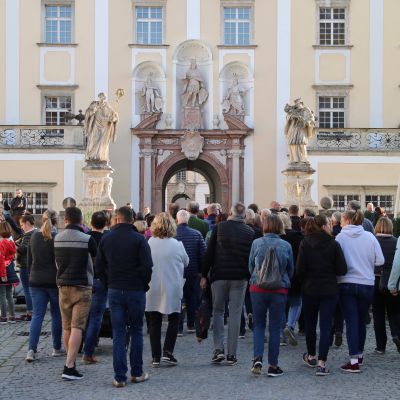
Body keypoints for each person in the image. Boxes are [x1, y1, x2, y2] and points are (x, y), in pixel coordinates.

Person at [96, 206, 153, 387]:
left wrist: (108, 283)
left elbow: (99, 267)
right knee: (136, 330)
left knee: (118, 332)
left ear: (117, 219)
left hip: (115, 289)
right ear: (132, 219)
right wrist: (143, 285)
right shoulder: (139, 239)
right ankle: (136, 372)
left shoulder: (106, 238)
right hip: (135, 289)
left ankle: (119, 376)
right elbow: (147, 267)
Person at [201, 202, 254, 365]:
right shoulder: (250, 232)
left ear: (230, 213)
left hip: (219, 275)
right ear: (244, 215)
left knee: (218, 311)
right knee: (236, 314)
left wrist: (204, 274)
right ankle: (232, 354)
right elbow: (251, 258)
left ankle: (218, 349)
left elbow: (209, 252)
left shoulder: (220, 227)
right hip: (239, 277)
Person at [296, 215, 347, 375]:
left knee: (310, 325)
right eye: (329, 224)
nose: (331, 226)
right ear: (324, 226)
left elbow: (299, 270)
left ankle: (311, 355)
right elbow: (342, 269)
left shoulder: (305, 243)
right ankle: (321, 363)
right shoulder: (333, 244)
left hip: (310, 289)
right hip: (329, 290)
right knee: (326, 326)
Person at [336, 209, 384, 372]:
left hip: (346, 282)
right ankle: (360, 355)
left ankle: (354, 360)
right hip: (367, 283)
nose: (340, 223)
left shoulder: (341, 237)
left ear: (347, 221)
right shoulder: (370, 237)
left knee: (351, 321)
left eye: (342, 220)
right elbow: (381, 260)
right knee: (361, 320)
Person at [248, 214, 294, 376]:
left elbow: (250, 266)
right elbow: (291, 270)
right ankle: (273, 365)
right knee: (275, 328)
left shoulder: (256, 243)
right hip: (279, 290)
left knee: (259, 326)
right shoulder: (286, 245)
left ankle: (257, 358)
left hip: (258, 289)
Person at [54, 207, 97, 381]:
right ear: (81, 221)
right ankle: (69, 366)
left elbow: (56, 262)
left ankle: (70, 361)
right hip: (82, 286)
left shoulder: (57, 238)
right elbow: (95, 261)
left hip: (63, 286)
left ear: (66, 220)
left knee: (66, 326)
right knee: (77, 326)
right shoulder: (88, 239)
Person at [146, 213, 189, 367]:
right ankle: (168, 352)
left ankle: (155, 356)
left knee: (154, 320)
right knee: (173, 318)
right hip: (172, 285)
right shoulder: (177, 245)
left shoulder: (149, 242)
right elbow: (186, 262)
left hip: (153, 286)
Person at [25, 210, 63, 362]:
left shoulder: (34, 236)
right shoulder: (57, 238)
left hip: (36, 281)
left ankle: (31, 350)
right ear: (55, 221)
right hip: (53, 281)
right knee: (56, 315)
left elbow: (29, 261)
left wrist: (31, 275)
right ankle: (56, 348)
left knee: (37, 316)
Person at [82, 211, 108, 364]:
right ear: (106, 224)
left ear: (91, 223)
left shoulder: (85, 238)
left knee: (82, 316)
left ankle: (79, 345)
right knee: (96, 317)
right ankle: (88, 350)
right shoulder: (108, 238)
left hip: (85, 279)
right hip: (101, 280)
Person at [372, 217, 400, 353]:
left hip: (375, 280)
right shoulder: (396, 242)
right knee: (394, 311)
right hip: (392, 280)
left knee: (378, 314)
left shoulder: (372, 241)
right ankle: (396, 334)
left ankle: (380, 346)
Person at [175, 210, 206, 335]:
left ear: (177, 220)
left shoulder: (172, 234)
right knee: (192, 297)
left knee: (179, 298)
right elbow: (203, 254)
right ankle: (191, 324)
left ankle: (179, 326)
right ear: (187, 220)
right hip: (193, 271)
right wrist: (202, 272)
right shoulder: (196, 234)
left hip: (177, 272)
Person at [279, 212, 304, 346]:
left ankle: (282, 335)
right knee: (296, 303)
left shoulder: (277, 237)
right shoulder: (297, 236)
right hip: (295, 274)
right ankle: (291, 325)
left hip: (280, 275)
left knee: (281, 305)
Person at [16, 213, 37, 321]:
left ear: (27, 223)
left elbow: (23, 249)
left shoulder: (30, 234)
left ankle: (30, 312)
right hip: (33, 265)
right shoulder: (37, 232)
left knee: (27, 290)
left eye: (22, 224)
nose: (21, 227)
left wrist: (14, 245)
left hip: (26, 265)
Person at [0, 221, 18, 324]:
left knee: (2, 295)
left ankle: (3, 317)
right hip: (10, 270)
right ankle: (12, 316)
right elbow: (12, 256)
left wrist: (3, 275)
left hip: (3, 272)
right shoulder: (11, 242)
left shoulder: (1, 242)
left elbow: (1, 260)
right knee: (9, 294)